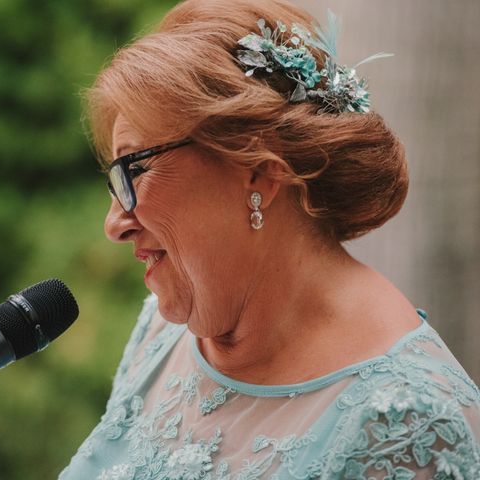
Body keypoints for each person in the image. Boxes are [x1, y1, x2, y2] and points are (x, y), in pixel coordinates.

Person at [61, 0, 480, 478]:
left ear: (260, 171)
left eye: (133, 168)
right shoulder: (162, 333)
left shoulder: (411, 424)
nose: (115, 223)